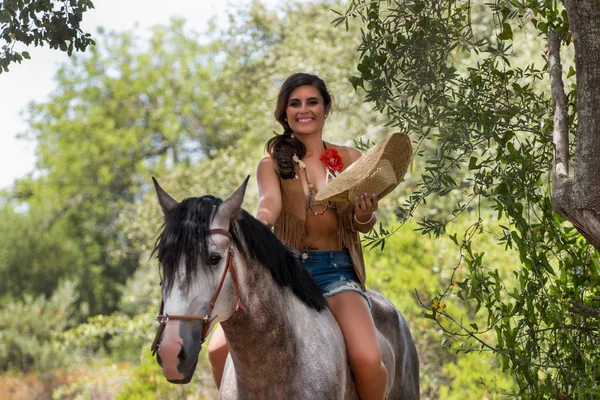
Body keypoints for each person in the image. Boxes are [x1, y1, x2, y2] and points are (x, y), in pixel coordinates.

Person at [207, 72, 388, 400]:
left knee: (368, 358)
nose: (304, 110)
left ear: (326, 109)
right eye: (295, 103)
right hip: (287, 273)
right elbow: (269, 205)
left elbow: (364, 221)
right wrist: (255, 230)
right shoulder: (272, 164)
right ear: (285, 113)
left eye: (312, 102)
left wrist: (364, 214)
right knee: (218, 349)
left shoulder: (349, 158)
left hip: (336, 272)